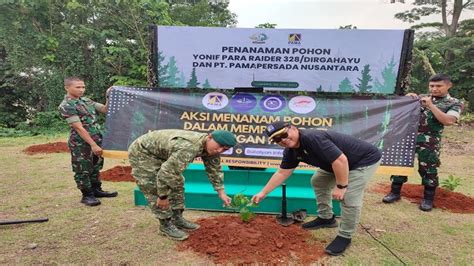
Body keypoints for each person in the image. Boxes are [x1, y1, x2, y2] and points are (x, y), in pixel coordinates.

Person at [252, 122, 381, 256]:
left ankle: (345, 236)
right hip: (336, 163)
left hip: (362, 161)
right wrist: (263, 192)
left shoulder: (311, 138)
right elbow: (282, 173)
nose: (283, 140)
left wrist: (341, 186)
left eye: (284, 134)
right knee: (318, 181)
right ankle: (326, 218)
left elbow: (340, 161)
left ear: (294, 129)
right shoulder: (291, 151)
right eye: (277, 139)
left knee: (348, 196)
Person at [128, 129, 236, 241]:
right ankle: (165, 225)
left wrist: (221, 193)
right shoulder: (189, 147)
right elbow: (166, 173)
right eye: (219, 146)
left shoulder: (212, 148)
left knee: (177, 181)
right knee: (152, 185)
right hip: (143, 152)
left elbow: (214, 170)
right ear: (209, 137)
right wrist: (163, 196)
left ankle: (177, 218)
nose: (219, 150)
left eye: (224, 149)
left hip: (162, 152)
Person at [383, 74, 463, 211]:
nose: (434, 89)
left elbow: (448, 121)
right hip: (408, 136)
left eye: (439, 86)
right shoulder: (421, 98)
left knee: (428, 167)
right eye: (432, 86)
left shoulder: (454, 102)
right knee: (401, 164)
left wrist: (431, 106)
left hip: (429, 140)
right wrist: (407, 98)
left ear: (449, 85)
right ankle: (395, 192)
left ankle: (428, 199)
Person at [59, 77, 118, 207]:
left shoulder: (86, 101)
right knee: (83, 168)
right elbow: (79, 127)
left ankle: (96, 190)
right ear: (67, 88)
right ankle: (87, 195)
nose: (81, 90)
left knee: (96, 166)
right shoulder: (66, 105)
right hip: (81, 143)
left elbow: (105, 109)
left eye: (83, 87)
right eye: (78, 87)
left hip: (96, 138)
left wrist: (108, 96)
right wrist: (93, 145)